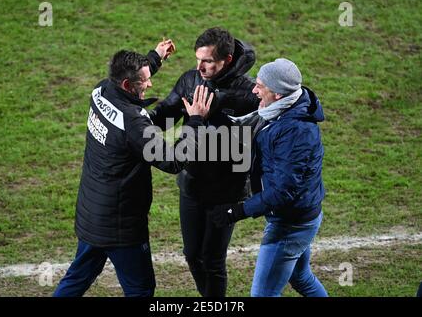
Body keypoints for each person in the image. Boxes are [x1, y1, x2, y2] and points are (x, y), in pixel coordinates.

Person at [53, 41, 214, 297]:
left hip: (92, 214)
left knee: (77, 279)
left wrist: (156, 57)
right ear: (128, 85)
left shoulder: (101, 90)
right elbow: (172, 161)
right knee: (140, 289)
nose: (149, 84)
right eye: (144, 81)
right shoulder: (133, 125)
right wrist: (195, 120)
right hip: (120, 226)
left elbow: (134, 77)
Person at [148, 27, 259, 297]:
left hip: (227, 191)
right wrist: (139, 117)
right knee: (191, 255)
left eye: (207, 61)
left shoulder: (250, 92)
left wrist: (219, 103)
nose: (200, 67)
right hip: (192, 185)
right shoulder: (190, 81)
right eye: (198, 59)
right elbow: (165, 115)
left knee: (212, 259)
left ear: (227, 60)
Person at [210, 58, 328, 297]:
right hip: (300, 215)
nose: (254, 90)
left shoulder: (295, 131)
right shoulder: (285, 109)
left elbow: (283, 190)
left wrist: (238, 210)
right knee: (301, 277)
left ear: (276, 93)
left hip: (290, 224)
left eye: (260, 86)